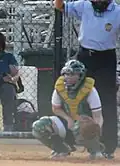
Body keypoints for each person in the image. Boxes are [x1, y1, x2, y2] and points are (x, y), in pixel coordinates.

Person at [54, 0, 120, 159]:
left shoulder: (117, 11)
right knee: (72, 95)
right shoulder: (84, 5)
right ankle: (69, 142)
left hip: (106, 58)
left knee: (107, 101)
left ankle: (107, 146)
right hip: (84, 57)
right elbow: (60, 6)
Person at [32, 60, 104, 159]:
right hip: (67, 123)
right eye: (66, 74)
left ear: (80, 76)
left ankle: (95, 150)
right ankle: (62, 149)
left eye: (72, 74)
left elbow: (97, 115)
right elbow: (56, 108)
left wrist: (95, 131)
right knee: (39, 126)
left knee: (84, 125)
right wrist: (68, 118)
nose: (68, 77)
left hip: (83, 124)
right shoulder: (60, 87)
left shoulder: (90, 90)